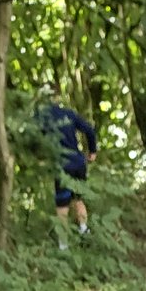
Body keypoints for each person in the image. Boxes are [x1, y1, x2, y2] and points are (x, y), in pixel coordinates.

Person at [35, 84, 97, 249]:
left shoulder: (42, 117)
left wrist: (39, 157)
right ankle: (84, 231)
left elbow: (35, 139)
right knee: (78, 198)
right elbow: (89, 130)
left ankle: (63, 244)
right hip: (78, 162)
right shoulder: (68, 114)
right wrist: (92, 151)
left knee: (62, 204)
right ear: (57, 97)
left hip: (61, 164)